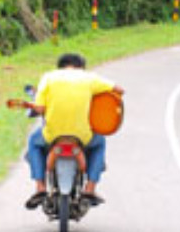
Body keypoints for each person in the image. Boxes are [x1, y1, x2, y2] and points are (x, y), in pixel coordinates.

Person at [22, 53, 124, 210]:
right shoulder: (89, 78)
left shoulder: (48, 78)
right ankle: (90, 188)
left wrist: (29, 105)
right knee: (100, 143)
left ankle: (40, 187)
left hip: (52, 135)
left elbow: (41, 108)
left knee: (33, 143)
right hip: (82, 136)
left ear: (61, 66)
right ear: (81, 66)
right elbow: (119, 90)